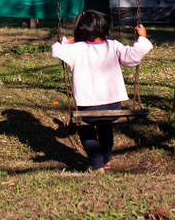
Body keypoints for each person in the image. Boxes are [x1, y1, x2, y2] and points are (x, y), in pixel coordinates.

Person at [51, 10, 152, 172]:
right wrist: (142, 37)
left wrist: (63, 42)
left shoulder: (76, 49)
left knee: (86, 129)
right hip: (113, 107)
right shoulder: (114, 46)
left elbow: (56, 51)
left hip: (87, 106)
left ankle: (97, 164)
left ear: (80, 31)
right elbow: (133, 55)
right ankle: (106, 159)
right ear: (105, 29)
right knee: (105, 127)